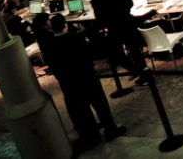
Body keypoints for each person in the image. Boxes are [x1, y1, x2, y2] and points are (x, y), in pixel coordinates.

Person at [47, 14, 126, 148]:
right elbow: (91, 53)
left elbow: (53, 66)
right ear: (65, 25)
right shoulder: (76, 38)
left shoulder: (49, 45)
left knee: (81, 110)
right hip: (87, 77)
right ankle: (110, 129)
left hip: (69, 84)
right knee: (100, 104)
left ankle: (92, 136)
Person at [90, 0, 147, 85]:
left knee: (117, 53)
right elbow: (129, 3)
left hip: (113, 28)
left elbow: (98, 15)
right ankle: (144, 72)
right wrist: (124, 13)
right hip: (126, 22)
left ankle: (134, 69)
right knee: (134, 50)